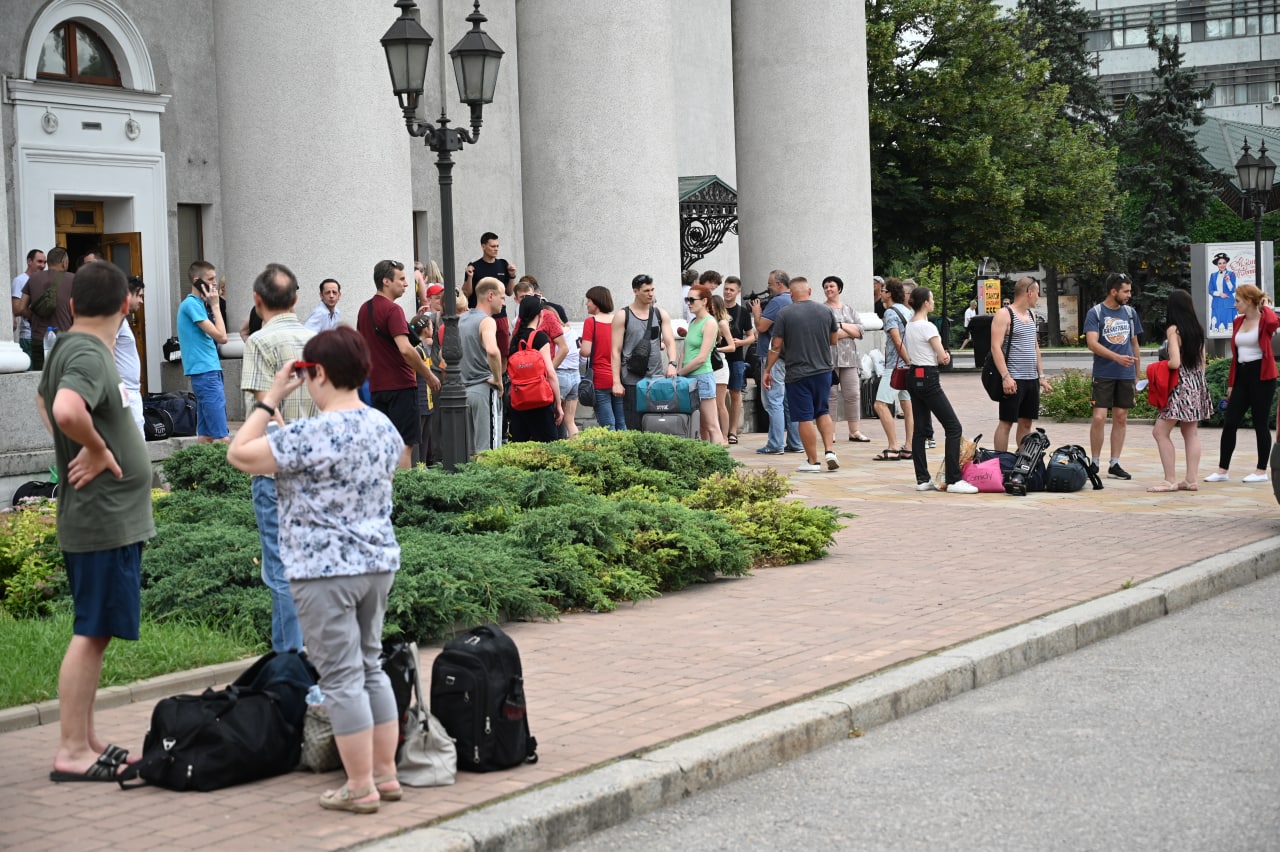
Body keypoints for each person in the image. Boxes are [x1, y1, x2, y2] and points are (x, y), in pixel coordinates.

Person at [226, 326, 404, 814]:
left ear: (318, 373)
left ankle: (360, 785)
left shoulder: (307, 434)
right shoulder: (383, 427)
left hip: (323, 571)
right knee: (370, 668)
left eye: (306, 373)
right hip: (378, 562)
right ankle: (385, 775)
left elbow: (239, 453)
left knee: (342, 678)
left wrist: (269, 400)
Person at [41, 261, 155, 783]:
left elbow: (46, 401)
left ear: (71, 304)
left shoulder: (67, 344)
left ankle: (85, 738)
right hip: (102, 517)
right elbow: (65, 408)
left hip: (98, 514)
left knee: (98, 629)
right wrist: (94, 444)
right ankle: (70, 751)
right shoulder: (88, 350)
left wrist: (80, 444)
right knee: (91, 632)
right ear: (126, 303)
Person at [241, 263, 317, 654]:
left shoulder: (258, 342)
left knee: (282, 573)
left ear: (257, 300)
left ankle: (289, 666)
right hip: (316, 472)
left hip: (275, 474)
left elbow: (262, 407)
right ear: (297, 299)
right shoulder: (317, 340)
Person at [356, 259, 440, 469]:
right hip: (401, 387)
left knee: (384, 444)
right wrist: (428, 375)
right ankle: (403, 497)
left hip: (376, 388)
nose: (406, 283)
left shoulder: (364, 309)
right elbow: (405, 348)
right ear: (386, 281)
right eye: (401, 279)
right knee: (404, 444)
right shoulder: (393, 310)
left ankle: (386, 492)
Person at [903, 286, 976, 493]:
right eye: (932, 299)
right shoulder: (928, 327)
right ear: (925, 302)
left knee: (920, 430)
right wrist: (945, 356)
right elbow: (942, 356)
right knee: (953, 427)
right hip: (929, 378)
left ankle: (922, 479)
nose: (933, 302)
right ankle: (954, 479)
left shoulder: (910, 325)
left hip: (913, 376)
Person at [763, 277, 838, 471]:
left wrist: (767, 370)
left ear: (791, 294)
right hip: (824, 370)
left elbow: (776, 346)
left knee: (805, 417)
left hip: (797, 372)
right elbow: (834, 340)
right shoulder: (826, 310)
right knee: (823, 411)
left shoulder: (784, 314)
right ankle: (830, 450)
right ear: (810, 291)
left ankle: (813, 461)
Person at [1206, 284, 1277, 484]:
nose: (1234, 304)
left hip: (1262, 376)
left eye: (1238, 300)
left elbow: (1274, 323)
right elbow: (1236, 356)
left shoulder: (1264, 320)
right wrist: (1231, 383)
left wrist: (1264, 306)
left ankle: (1261, 470)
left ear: (1248, 301)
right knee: (1230, 422)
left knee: (1260, 423)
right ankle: (1222, 470)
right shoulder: (1238, 322)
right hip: (1242, 376)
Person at [1148, 289, 1213, 492]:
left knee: (1160, 431)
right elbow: (1203, 362)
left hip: (1180, 385)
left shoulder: (1174, 330)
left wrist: (1158, 367)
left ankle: (1169, 480)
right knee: (1190, 432)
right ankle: (1191, 479)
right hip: (1197, 383)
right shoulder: (1197, 329)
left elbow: (1175, 363)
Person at [1084, 272, 1143, 479]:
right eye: (1125, 291)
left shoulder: (1129, 313)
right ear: (1113, 291)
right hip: (1104, 373)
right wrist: (1117, 358)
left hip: (1125, 374)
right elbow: (1092, 343)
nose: (1129, 295)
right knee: (1099, 418)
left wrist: (1137, 375)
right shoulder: (1096, 313)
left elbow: (1134, 344)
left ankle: (1115, 463)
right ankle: (1095, 462)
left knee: (1121, 417)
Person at [988, 277, 1052, 453]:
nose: (1038, 297)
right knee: (1006, 422)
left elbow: (1035, 347)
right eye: (1037, 293)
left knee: (1026, 422)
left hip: (1031, 379)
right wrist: (1006, 377)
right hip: (1013, 379)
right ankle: (1000, 462)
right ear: (1029, 293)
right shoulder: (1004, 314)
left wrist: (1042, 377)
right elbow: (995, 347)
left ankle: (1022, 462)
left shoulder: (1031, 315)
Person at [611, 274, 678, 431]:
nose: (651, 294)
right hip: (632, 379)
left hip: (657, 378)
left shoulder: (660, 314)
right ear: (636, 291)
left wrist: (672, 363)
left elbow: (670, 341)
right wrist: (616, 381)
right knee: (634, 425)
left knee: (657, 425)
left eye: (652, 290)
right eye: (646, 290)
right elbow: (615, 350)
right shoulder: (622, 315)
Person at [176, 260, 230, 443]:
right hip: (206, 373)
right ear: (198, 280)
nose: (214, 283)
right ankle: (228, 472)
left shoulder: (198, 304)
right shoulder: (191, 304)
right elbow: (222, 337)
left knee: (206, 435)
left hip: (207, 371)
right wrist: (216, 306)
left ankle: (203, 472)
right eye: (211, 279)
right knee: (222, 437)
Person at [752, 269, 803, 454]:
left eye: (770, 285)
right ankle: (796, 442)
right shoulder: (793, 301)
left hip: (773, 357)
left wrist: (757, 312)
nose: (768, 289)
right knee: (789, 402)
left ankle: (775, 444)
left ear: (779, 284)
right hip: (790, 357)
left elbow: (761, 327)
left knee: (774, 401)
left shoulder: (777, 301)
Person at [508, 293, 564, 442]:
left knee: (520, 448)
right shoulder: (539, 338)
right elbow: (550, 373)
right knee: (549, 445)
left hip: (519, 400)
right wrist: (558, 404)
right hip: (540, 400)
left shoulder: (514, 339)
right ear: (540, 314)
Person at [459, 277, 506, 453]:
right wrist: (498, 379)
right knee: (488, 451)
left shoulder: (460, 320)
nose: (504, 302)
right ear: (490, 296)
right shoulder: (487, 321)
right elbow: (493, 351)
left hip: (462, 392)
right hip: (483, 388)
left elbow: (443, 354)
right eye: (502, 297)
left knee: (470, 453)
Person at [822, 275, 869, 442]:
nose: (829, 289)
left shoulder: (849, 309)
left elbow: (860, 331)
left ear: (839, 289)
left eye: (831, 286)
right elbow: (826, 335)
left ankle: (854, 431)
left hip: (850, 359)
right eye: (826, 287)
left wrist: (840, 326)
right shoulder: (822, 310)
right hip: (829, 359)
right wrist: (849, 330)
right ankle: (830, 432)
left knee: (853, 394)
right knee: (831, 395)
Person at [678, 285, 727, 445]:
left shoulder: (710, 323)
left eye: (692, 300)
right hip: (688, 377)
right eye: (687, 299)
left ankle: (719, 462)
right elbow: (684, 351)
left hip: (702, 375)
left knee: (712, 425)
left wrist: (680, 372)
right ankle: (706, 459)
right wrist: (678, 369)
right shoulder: (693, 322)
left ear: (704, 301)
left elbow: (701, 358)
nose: (688, 303)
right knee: (701, 426)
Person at [871, 277, 913, 461]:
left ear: (889, 293)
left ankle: (893, 446)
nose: (880, 293)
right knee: (907, 405)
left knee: (880, 404)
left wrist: (906, 361)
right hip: (908, 366)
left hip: (895, 366)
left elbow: (897, 341)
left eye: (883, 290)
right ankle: (909, 447)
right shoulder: (908, 311)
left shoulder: (890, 313)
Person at [463, 232, 517, 360]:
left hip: (500, 315)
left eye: (497, 246)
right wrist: (470, 277)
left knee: (503, 352)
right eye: (493, 246)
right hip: (480, 316)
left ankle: (502, 378)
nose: (496, 249)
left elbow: (509, 292)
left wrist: (512, 275)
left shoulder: (503, 264)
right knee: (481, 352)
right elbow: (466, 293)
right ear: (483, 246)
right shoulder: (474, 267)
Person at [18, 246, 68, 372]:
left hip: (38, 339)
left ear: (48, 262)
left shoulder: (33, 278)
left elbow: (21, 308)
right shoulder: (73, 279)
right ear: (64, 263)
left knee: (40, 379)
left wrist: (34, 318)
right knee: (64, 380)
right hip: (65, 340)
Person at [581, 285, 625, 430]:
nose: (587, 304)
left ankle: (611, 452)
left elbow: (586, 351)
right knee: (621, 422)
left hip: (600, 379)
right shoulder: (619, 320)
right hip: (618, 377)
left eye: (589, 300)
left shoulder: (591, 322)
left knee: (608, 425)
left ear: (597, 302)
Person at [722, 276, 756, 444]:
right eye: (726, 289)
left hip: (736, 358)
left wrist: (741, 342)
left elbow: (751, 336)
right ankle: (721, 429)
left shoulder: (742, 312)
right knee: (718, 395)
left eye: (731, 290)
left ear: (738, 292)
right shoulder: (716, 308)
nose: (728, 292)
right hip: (718, 358)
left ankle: (733, 431)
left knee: (735, 393)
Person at [113, 276, 146, 435]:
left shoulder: (121, 319)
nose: (141, 301)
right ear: (127, 295)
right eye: (139, 296)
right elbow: (108, 349)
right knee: (135, 448)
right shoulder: (116, 318)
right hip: (124, 391)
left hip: (129, 391)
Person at [709, 294, 736, 441]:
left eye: (712, 304)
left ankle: (724, 436)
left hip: (719, 365)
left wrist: (715, 349)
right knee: (710, 402)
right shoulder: (706, 321)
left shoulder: (722, 323)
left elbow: (732, 346)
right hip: (708, 366)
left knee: (720, 403)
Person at [11, 248, 45, 358]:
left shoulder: (43, 280)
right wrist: (35, 316)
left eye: (45, 262)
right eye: (39, 261)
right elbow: (16, 308)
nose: (43, 265)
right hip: (28, 337)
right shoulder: (20, 280)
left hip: (43, 336)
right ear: (29, 261)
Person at [1208, 252, 1237, 335]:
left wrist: (1228, 281)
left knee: (1230, 328)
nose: (1222, 265)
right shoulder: (1213, 275)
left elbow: (1232, 290)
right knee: (1216, 326)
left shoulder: (1231, 274)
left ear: (1226, 263)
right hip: (1217, 303)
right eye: (1220, 263)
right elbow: (1210, 290)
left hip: (1228, 303)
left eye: (1224, 263)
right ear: (1217, 264)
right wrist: (1220, 294)